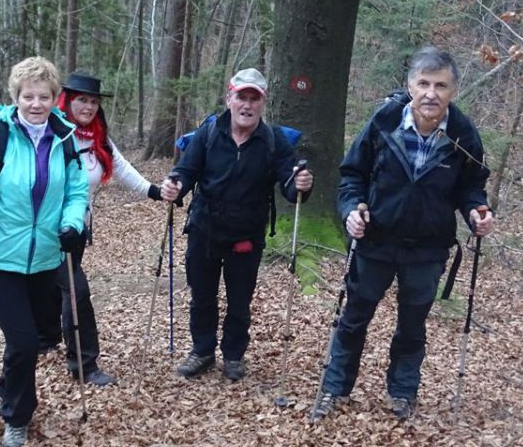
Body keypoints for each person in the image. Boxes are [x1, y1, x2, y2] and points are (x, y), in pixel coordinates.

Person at [311, 46, 495, 423]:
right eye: (424, 83)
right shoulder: (383, 122)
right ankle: (334, 389)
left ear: (453, 90)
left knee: (412, 325)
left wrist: (478, 212)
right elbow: (351, 176)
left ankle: (402, 394)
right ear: (410, 85)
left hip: (428, 249)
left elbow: (471, 187)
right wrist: (350, 211)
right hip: (375, 240)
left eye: (440, 85)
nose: (431, 93)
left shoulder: (463, 135)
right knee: (354, 318)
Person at [0, 56, 88, 447]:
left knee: (32, 340)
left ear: (55, 98)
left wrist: (72, 225)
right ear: (16, 97)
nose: (35, 103)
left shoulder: (65, 138)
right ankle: (17, 416)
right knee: (25, 341)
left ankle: (8, 390)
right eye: (28, 95)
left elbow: (76, 192)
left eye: (44, 96)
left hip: (46, 256)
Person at [160, 68, 314, 382]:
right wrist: (175, 185)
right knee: (202, 296)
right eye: (241, 96)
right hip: (204, 228)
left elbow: (289, 183)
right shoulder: (209, 133)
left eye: (253, 98)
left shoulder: (273, 141)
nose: (246, 104)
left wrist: (301, 184)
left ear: (263, 103)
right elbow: (186, 170)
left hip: (246, 234)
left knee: (240, 301)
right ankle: (202, 351)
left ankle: (233, 356)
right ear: (229, 98)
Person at [55, 72, 163, 387]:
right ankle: (84, 363)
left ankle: (52, 342)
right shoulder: (53, 133)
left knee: (66, 289)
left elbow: (122, 168)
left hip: (77, 229)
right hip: (46, 230)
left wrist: (153, 191)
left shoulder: (97, 137)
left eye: (92, 101)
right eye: (81, 100)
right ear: (68, 101)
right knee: (76, 292)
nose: (87, 106)